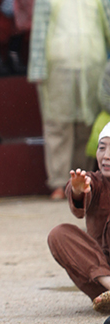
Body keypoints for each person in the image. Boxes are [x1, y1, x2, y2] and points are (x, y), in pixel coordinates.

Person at [28, 0, 110, 199]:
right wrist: (38, 69)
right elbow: (39, 32)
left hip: (92, 68)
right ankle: (57, 181)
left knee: (87, 124)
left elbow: (107, 22)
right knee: (58, 125)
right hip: (58, 69)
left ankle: (82, 180)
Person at [47, 124, 110, 313]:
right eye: (102, 148)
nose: (106, 155)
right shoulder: (95, 182)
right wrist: (77, 190)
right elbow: (79, 199)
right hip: (100, 279)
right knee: (59, 234)